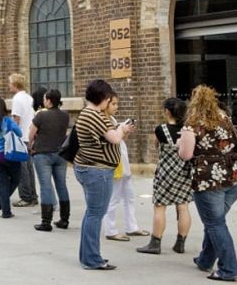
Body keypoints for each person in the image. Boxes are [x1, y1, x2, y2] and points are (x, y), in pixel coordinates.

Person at [178, 85, 237, 282]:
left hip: (209, 183)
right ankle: (205, 260)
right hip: (234, 179)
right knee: (215, 221)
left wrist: (179, 144)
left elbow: (186, 155)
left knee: (215, 224)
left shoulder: (192, 124)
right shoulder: (224, 117)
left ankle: (228, 269)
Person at [74, 79, 135, 271]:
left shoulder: (90, 113)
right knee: (95, 214)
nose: (110, 102)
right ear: (103, 98)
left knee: (92, 213)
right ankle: (92, 259)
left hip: (92, 168)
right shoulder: (94, 115)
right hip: (97, 171)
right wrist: (122, 128)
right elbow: (115, 138)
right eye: (109, 99)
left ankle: (88, 256)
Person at [137, 97, 192, 255]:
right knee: (183, 207)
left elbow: (156, 145)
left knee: (160, 207)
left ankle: (155, 242)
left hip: (165, 174)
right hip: (183, 172)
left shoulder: (161, 129)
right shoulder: (187, 130)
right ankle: (180, 243)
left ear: (167, 112)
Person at [102, 93, 148, 241]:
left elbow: (120, 140)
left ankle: (132, 227)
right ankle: (110, 230)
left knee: (130, 197)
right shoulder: (103, 121)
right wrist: (121, 130)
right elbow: (112, 140)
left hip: (123, 161)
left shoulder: (113, 119)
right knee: (113, 198)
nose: (116, 107)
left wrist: (125, 131)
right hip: (115, 164)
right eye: (113, 104)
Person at [29, 88, 71, 231]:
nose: (43, 101)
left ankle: (46, 221)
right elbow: (64, 133)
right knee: (61, 185)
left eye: (45, 99)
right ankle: (64, 219)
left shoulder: (41, 116)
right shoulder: (65, 116)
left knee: (45, 186)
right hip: (60, 154)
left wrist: (30, 146)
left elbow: (31, 132)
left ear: (49, 101)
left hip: (42, 153)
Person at [0, 96, 23, 219]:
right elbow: (20, 133)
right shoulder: (7, 121)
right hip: (8, 154)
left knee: (3, 183)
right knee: (15, 180)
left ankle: (2, 209)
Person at [8, 73, 39, 208]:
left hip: (20, 137)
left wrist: (10, 135)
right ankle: (33, 195)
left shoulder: (17, 99)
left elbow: (16, 119)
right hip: (28, 135)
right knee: (29, 167)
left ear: (15, 85)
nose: (9, 85)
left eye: (10, 83)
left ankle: (25, 196)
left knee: (22, 169)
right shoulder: (29, 98)